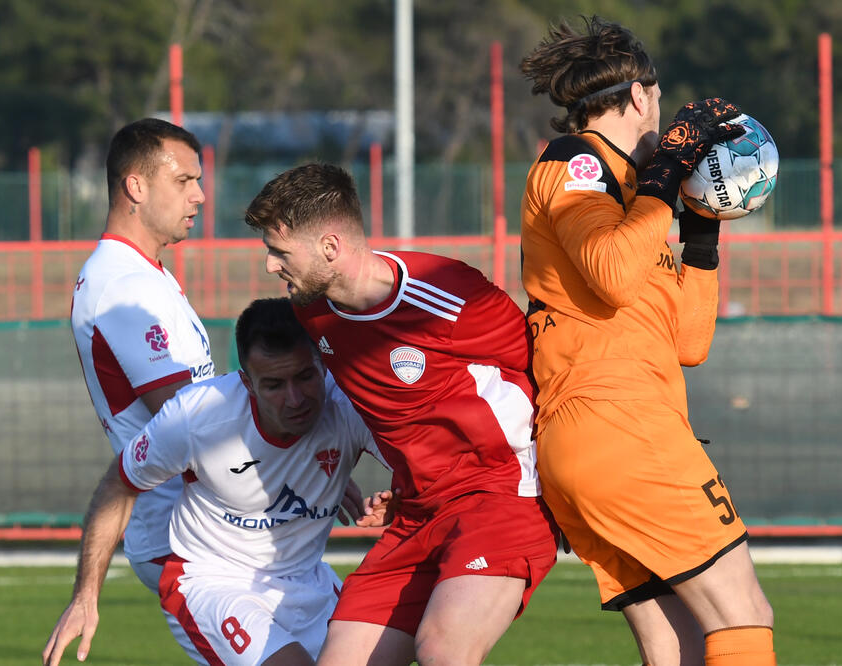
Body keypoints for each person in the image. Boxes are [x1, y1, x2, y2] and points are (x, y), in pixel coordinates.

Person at [518, 16, 775, 666]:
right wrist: (666, 170)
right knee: (743, 614)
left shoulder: (635, 199)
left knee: (679, 644)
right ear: (640, 96)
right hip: (624, 430)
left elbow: (687, 341)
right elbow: (609, 270)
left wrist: (702, 232)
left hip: (601, 439)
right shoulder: (579, 164)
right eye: (659, 98)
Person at [243, 163, 560, 666]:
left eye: (279, 252)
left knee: (444, 649)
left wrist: (579, 478)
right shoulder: (311, 310)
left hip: (499, 496)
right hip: (416, 513)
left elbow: (551, 371)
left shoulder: (449, 294)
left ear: (330, 246)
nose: (269, 266)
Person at [43, 298, 390, 666]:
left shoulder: (350, 400)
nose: (295, 399)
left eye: (305, 376)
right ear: (247, 382)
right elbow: (120, 483)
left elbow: (426, 468)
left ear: (323, 365)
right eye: (273, 384)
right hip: (213, 582)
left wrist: (403, 497)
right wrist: (85, 595)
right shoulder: (197, 416)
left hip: (308, 577)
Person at [69, 117, 216, 657]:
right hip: (186, 537)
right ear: (136, 186)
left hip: (205, 525)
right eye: (184, 181)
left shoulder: (140, 272)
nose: (200, 196)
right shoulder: (123, 283)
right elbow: (188, 417)